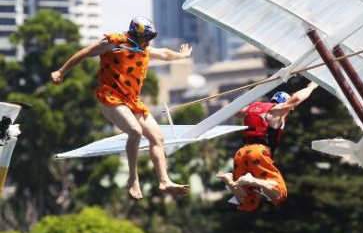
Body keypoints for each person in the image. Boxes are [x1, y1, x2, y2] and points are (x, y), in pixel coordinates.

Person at [51, 16, 192, 200]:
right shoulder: (114, 43)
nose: (148, 43)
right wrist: (61, 71)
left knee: (157, 137)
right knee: (135, 131)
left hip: (132, 102)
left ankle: (164, 181)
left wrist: (182, 55)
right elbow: (84, 53)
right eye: (145, 38)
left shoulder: (144, 50)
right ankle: (133, 179)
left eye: (150, 38)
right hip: (110, 98)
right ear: (134, 35)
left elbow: (164, 54)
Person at [217, 81, 319, 213]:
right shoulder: (277, 111)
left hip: (241, 155)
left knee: (249, 203)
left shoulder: (250, 109)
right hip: (257, 153)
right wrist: (311, 87)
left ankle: (230, 181)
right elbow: (297, 98)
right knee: (280, 193)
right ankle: (252, 181)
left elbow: (232, 111)